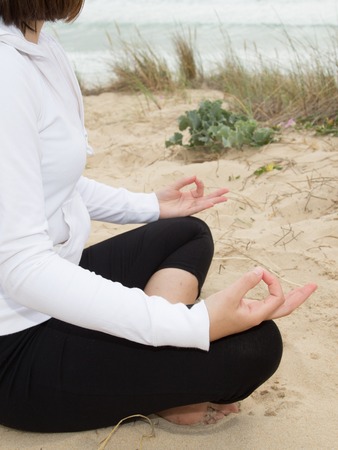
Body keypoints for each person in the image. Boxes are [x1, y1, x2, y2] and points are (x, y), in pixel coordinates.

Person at [0, 0, 317, 433]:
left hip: (51, 286)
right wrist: (189, 325)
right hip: (14, 350)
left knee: (185, 232)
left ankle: (154, 373)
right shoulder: (6, 72)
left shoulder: (37, 42)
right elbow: (19, 267)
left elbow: (49, 183)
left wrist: (148, 206)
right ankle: (162, 378)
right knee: (255, 348)